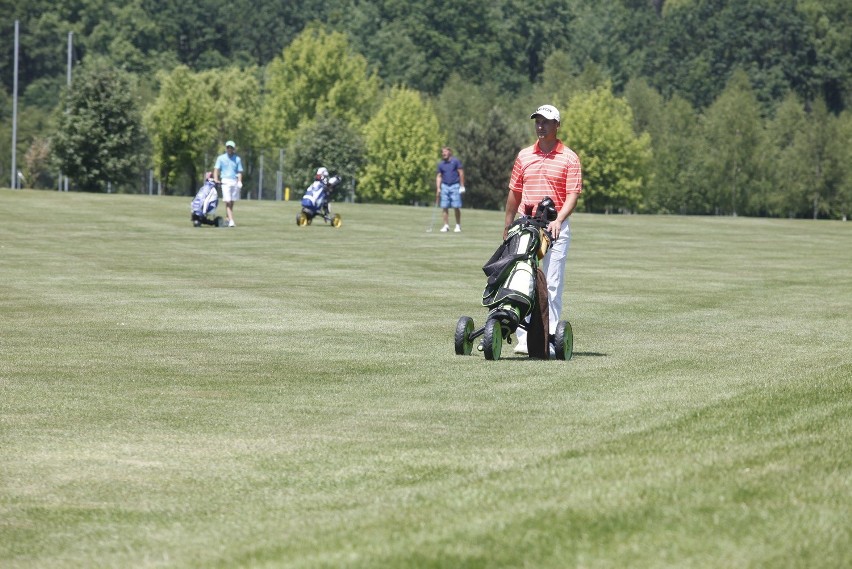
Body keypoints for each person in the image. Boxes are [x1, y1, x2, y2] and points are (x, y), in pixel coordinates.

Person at [504, 104, 582, 355]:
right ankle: (525, 340)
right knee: (521, 280)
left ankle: (548, 339)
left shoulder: (569, 157)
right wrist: (507, 225)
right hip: (526, 225)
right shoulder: (524, 156)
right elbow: (514, 192)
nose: (541, 125)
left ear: (557, 125)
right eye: (538, 120)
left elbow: (572, 195)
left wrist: (558, 219)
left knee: (551, 284)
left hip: (555, 227)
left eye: (546, 121)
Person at [213, 140, 243, 227]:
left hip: (234, 181)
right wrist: (215, 179)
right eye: (228, 147)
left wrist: (240, 181)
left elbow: (240, 171)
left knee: (232, 201)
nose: (229, 149)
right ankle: (231, 221)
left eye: (231, 147)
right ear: (226, 148)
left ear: (234, 149)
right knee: (228, 201)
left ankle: (227, 218)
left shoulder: (237, 159)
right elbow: (216, 169)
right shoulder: (221, 158)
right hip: (225, 181)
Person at [435, 146, 465, 232]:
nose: (443, 153)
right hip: (444, 186)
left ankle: (458, 225)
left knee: (456, 206)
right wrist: (438, 188)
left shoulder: (455, 161)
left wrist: (462, 185)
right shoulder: (441, 164)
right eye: (442, 152)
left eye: (445, 151)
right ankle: (446, 225)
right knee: (444, 206)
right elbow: (439, 176)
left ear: (450, 152)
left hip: (455, 185)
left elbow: (461, 173)